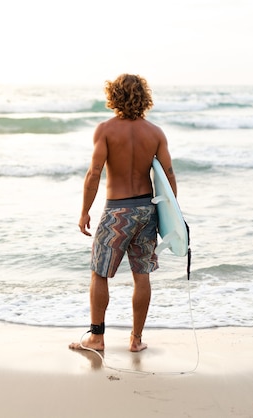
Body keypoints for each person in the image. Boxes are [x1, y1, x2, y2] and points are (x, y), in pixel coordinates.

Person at [68, 74, 177, 353]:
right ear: (144, 97)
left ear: (113, 96)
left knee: (99, 273)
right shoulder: (155, 133)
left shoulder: (105, 130)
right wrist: (171, 216)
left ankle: (97, 337)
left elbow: (94, 173)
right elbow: (168, 175)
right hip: (146, 209)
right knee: (142, 275)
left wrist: (84, 211)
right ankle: (136, 340)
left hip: (117, 211)